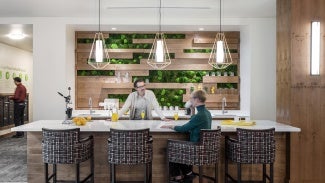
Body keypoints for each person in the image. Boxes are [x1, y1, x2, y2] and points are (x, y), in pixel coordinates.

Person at [161, 90, 212, 182]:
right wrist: (192, 110)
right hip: (202, 147)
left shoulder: (200, 115)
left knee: (171, 149)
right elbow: (193, 122)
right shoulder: (206, 113)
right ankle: (187, 173)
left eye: (191, 98)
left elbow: (183, 128)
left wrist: (171, 126)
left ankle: (181, 176)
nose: (190, 100)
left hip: (196, 148)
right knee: (175, 149)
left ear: (197, 100)